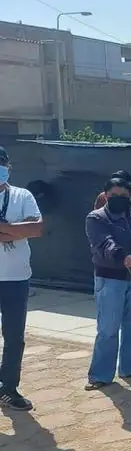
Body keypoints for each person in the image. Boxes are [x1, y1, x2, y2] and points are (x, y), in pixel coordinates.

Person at [84, 175, 131, 390]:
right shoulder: (96, 218)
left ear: (130, 195)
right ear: (105, 195)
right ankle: (100, 375)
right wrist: (122, 257)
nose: (118, 198)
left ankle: (130, 367)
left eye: (123, 194)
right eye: (113, 195)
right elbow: (103, 243)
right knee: (108, 328)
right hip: (109, 279)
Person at [0, 146, 44, 411]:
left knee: (14, 337)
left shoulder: (22, 195)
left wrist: (3, 228)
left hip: (16, 278)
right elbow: (26, 229)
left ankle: (8, 387)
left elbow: (36, 228)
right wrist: (16, 231)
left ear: (8, 166)